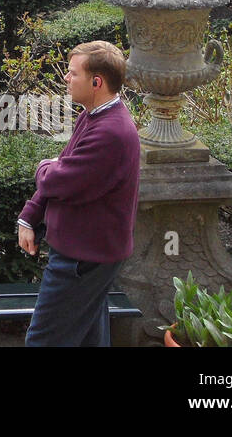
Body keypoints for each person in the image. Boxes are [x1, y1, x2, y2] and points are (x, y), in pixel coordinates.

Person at [17, 41, 140, 347]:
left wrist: (44, 167)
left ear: (96, 82)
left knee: (43, 342)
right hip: (85, 256)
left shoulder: (111, 133)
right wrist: (29, 215)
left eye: (72, 74)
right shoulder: (93, 115)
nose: (66, 79)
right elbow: (60, 173)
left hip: (81, 260)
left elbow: (58, 179)